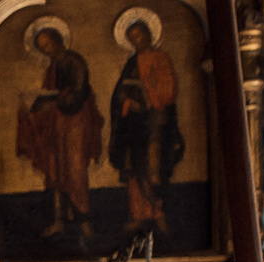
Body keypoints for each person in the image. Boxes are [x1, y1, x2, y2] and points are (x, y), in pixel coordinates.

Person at [17, 23, 101, 242]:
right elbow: (52, 95)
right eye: (42, 47)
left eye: (48, 43)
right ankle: (59, 219)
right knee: (55, 171)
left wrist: (51, 100)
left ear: (58, 40)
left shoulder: (74, 61)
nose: (47, 49)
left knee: (74, 171)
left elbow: (78, 92)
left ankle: (84, 220)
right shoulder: (52, 67)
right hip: (57, 124)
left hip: (75, 122)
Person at [108, 17, 183, 240]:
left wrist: (149, 93)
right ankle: (139, 214)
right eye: (132, 38)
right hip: (133, 124)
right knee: (133, 168)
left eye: (139, 35)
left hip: (156, 122)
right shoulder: (132, 63)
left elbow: (169, 89)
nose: (137, 40)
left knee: (154, 167)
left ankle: (158, 212)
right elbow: (120, 92)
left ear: (149, 34)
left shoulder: (161, 58)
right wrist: (130, 101)